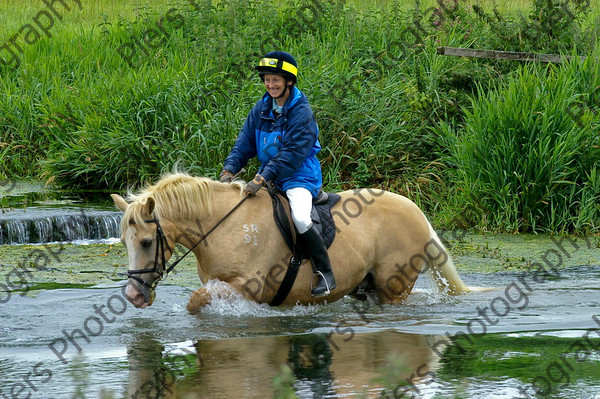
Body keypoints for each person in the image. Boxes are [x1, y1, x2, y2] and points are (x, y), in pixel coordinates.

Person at [219, 50, 335, 297]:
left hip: (299, 177)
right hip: (270, 176)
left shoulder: (301, 112)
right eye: (267, 80)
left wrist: (261, 178)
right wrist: (229, 169)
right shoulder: (261, 108)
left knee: (301, 219)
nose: (270, 85)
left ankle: (325, 273)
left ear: (289, 82)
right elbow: (245, 142)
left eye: (276, 80)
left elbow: (292, 154)